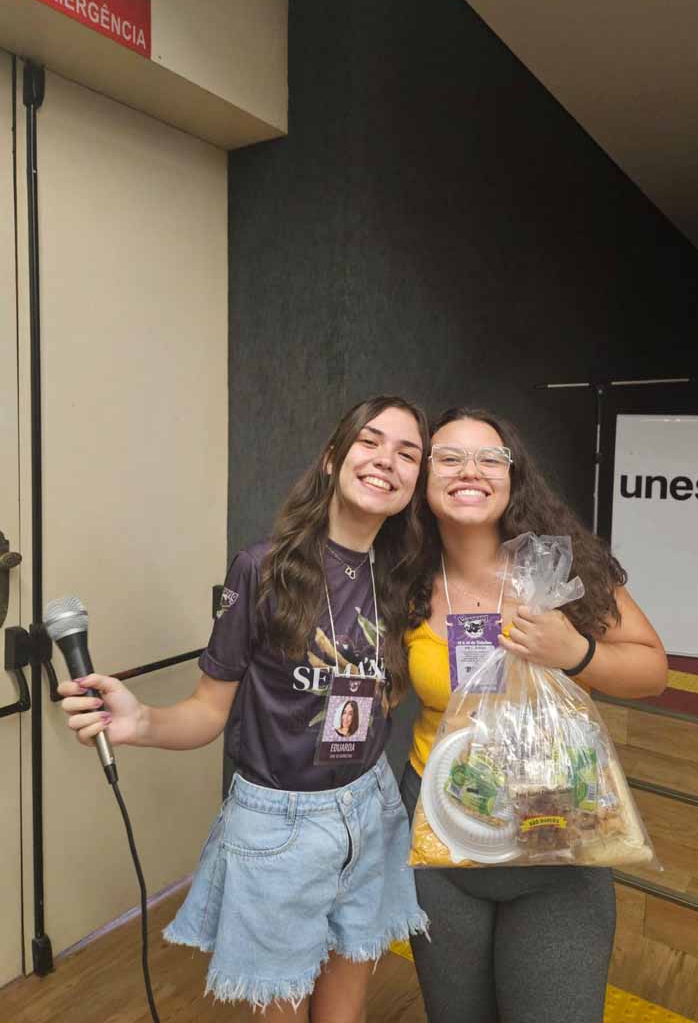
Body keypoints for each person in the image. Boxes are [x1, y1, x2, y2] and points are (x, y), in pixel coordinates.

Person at [58, 395, 431, 1022]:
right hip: (280, 828)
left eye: (407, 453)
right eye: (369, 441)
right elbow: (208, 712)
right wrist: (140, 721)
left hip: (370, 811)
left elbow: (388, 692)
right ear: (332, 457)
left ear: (416, 481)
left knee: (345, 1012)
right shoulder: (262, 570)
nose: (385, 460)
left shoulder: (400, 579)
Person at [400, 407, 668, 1023]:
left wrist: (576, 653)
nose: (471, 471)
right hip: (442, 840)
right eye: (449, 458)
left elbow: (654, 671)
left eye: (489, 458)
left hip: (558, 842)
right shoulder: (403, 581)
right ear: (423, 479)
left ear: (513, 474)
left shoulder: (563, 573)